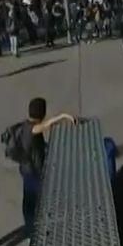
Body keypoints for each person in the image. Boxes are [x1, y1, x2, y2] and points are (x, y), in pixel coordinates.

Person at [16, 98, 75, 235]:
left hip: (26, 171)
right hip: (35, 173)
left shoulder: (25, 125)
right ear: (42, 114)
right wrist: (62, 116)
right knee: (42, 201)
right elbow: (44, 126)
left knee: (29, 203)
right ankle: (38, 231)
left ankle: (31, 229)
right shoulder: (33, 129)